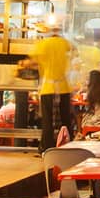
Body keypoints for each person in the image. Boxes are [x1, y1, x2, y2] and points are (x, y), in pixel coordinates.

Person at [18, 19, 75, 153]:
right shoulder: (66, 43)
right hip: (64, 87)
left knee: (47, 121)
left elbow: (31, 62)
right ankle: (68, 146)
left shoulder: (42, 44)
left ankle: (47, 149)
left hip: (48, 88)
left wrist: (23, 63)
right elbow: (73, 56)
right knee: (66, 119)